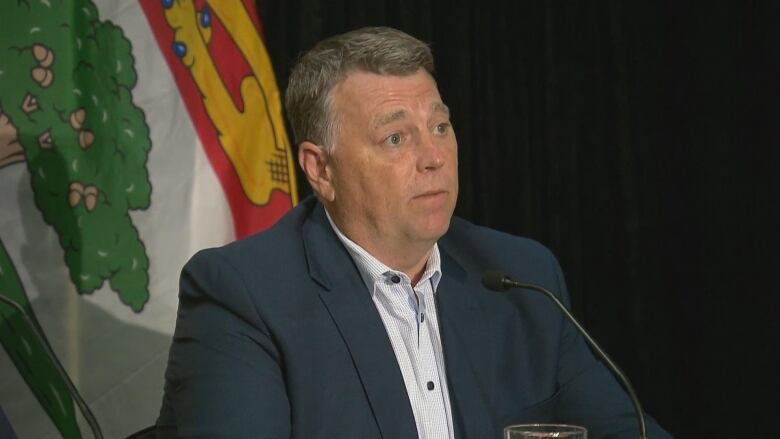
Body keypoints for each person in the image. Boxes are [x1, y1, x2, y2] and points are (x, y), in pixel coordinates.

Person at [157, 27, 671, 438]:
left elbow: (623, 428)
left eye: (441, 127)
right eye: (396, 136)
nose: (433, 157)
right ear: (321, 170)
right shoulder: (244, 295)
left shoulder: (521, 276)